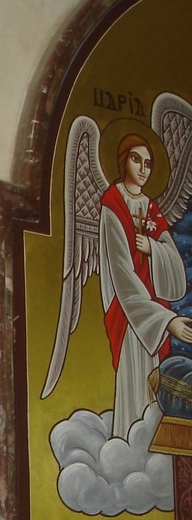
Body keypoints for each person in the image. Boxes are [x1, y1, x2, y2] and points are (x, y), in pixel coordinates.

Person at [99, 134, 192, 439]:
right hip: (131, 317)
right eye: (136, 159)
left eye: (148, 163)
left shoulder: (151, 208)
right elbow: (121, 275)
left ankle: (149, 453)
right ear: (123, 161)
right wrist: (166, 321)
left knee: (152, 391)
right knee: (135, 385)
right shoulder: (112, 206)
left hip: (152, 313)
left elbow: (175, 270)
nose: (142, 169)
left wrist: (153, 248)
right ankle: (128, 449)